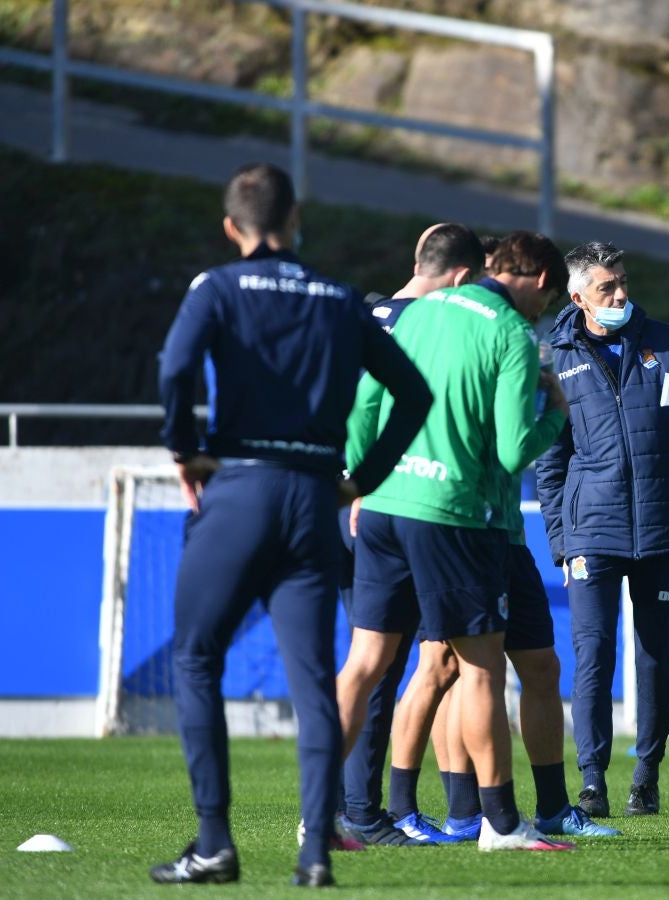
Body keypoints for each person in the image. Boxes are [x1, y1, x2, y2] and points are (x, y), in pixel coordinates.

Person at [152, 162, 431, 886]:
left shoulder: (216, 286)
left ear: (230, 226)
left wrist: (186, 449)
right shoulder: (340, 298)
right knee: (313, 681)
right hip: (314, 498)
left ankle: (215, 841)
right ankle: (313, 853)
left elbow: (176, 367)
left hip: (241, 486)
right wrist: (362, 481)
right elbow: (413, 394)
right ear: (297, 218)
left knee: (195, 659)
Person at [337, 230, 578, 852]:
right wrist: (556, 412)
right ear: (542, 285)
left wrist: (364, 483)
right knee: (478, 669)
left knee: (364, 664)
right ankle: (500, 825)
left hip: (384, 506)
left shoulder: (417, 311)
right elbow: (509, 450)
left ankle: (321, 810)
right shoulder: (512, 335)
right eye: (548, 306)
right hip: (452, 514)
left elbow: (364, 405)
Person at [535, 241, 669, 817]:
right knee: (592, 656)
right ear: (577, 296)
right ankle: (592, 781)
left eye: (621, 283)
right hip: (591, 529)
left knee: (655, 656)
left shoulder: (667, 341)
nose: (619, 295)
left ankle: (647, 775)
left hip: (664, 524)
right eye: (605, 288)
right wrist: (561, 542)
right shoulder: (554, 356)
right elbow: (550, 460)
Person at [336, 223, 488, 846]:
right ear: (459, 276)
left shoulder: (364, 312)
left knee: (387, 662)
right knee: (388, 662)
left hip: (352, 500)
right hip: (397, 504)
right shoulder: (430, 323)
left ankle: (361, 808)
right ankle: (362, 812)